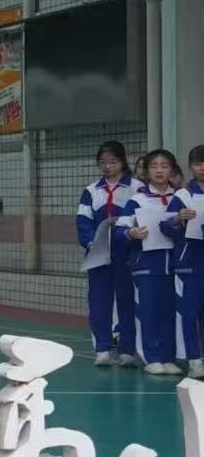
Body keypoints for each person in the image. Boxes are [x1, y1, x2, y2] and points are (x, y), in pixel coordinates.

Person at [78, 140, 142, 368]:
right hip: (98, 254)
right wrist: (91, 242)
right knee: (99, 301)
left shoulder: (137, 188)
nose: (107, 166)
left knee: (128, 301)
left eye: (113, 162)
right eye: (103, 162)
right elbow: (83, 221)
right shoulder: (90, 191)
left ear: (123, 161)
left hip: (127, 253)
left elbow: (142, 217)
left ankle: (127, 350)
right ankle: (102, 349)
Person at [122, 150, 186, 376]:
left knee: (170, 312)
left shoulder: (181, 198)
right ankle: (151, 357)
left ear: (173, 170)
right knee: (148, 311)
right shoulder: (136, 200)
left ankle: (168, 357)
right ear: (147, 171)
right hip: (146, 264)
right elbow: (120, 230)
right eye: (154, 166)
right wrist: (131, 233)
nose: (159, 170)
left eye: (164, 166)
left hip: (176, 265)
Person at [169, 145, 204, 378]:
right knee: (190, 314)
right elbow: (164, 226)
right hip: (190, 265)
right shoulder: (182, 195)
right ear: (190, 167)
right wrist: (178, 218)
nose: (203, 168)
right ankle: (194, 360)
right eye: (198, 164)